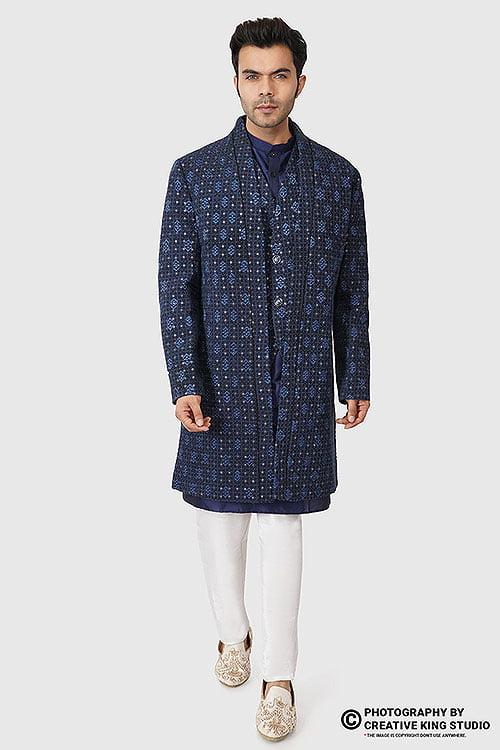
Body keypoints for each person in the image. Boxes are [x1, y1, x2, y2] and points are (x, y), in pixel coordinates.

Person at [158, 16, 371, 741]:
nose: (266, 89)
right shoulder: (195, 175)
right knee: (219, 522)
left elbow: (351, 290)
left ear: (301, 82)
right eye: (253, 75)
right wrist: (184, 378)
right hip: (220, 381)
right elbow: (176, 286)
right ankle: (232, 632)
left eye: (280, 74)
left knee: (284, 525)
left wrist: (354, 374)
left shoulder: (338, 179)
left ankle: (279, 677)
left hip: (301, 382)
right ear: (236, 82)